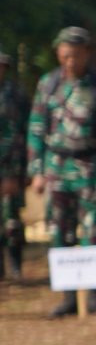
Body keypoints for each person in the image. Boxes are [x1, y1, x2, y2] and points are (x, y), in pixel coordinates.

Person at [27, 25, 96, 317]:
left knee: (95, 231)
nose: (71, 61)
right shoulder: (48, 84)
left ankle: (94, 296)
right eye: (66, 55)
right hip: (57, 168)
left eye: (77, 55)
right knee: (59, 232)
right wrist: (37, 170)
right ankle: (69, 296)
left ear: (88, 55)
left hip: (90, 167)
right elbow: (36, 128)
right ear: (58, 54)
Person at [0, 47, 26, 284]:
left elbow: (23, 135)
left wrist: (17, 174)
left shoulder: (16, 95)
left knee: (12, 221)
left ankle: (16, 265)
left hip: (10, 169)